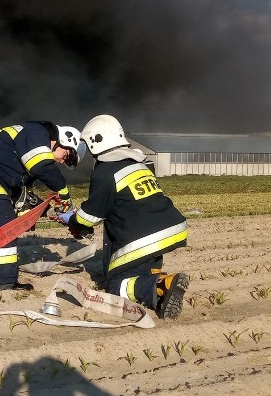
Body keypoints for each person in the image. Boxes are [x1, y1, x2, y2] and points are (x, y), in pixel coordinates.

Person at [64, 114, 189, 319]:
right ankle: (157, 281)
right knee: (141, 272)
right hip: (170, 227)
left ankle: (162, 285)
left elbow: (91, 215)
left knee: (115, 287)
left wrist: (73, 220)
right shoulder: (140, 162)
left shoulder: (106, 171)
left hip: (143, 236)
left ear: (96, 141)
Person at [0, 121, 85, 291]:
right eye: (65, 156)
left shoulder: (24, 143)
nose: (60, 162)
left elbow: (23, 193)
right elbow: (41, 165)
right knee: (5, 228)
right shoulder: (38, 132)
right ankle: (3, 282)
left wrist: (43, 212)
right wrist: (63, 192)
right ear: (62, 141)